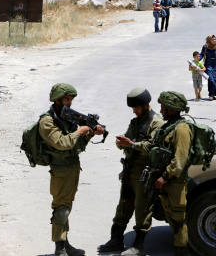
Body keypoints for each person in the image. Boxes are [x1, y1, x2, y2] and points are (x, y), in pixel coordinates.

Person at [39, 83, 105, 256]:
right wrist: (80, 131)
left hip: (72, 167)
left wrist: (90, 133)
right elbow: (62, 143)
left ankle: (64, 243)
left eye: (71, 100)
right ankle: (59, 249)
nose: (70, 103)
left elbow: (76, 146)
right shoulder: (47, 121)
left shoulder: (66, 117)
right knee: (61, 208)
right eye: (67, 99)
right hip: (60, 170)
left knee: (66, 206)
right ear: (58, 99)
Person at [97, 88, 164, 256]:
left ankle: (138, 247)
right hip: (130, 168)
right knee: (123, 206)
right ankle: (116, 240)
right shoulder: (135, 122)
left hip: (144, 172)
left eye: (136, 107)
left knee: (142, 208)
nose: (134, 111)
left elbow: (153, 147)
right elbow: (127, 138)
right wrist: (122, 142)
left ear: (145, 105)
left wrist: (132, 145)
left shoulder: (157, 122)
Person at [153, 91, 193, 256]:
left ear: (172, 109)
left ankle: (181, 251)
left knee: (178, 220)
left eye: (163, 107)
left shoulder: (182, 129)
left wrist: (165, 176)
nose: (161, 111)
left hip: (175, 182)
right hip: (167, 181)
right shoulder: (169, 126)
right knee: (170, 215)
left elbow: (179, 161)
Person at [200, 34, 216, 101]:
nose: (214, 40)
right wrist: (197, 60)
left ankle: (212, 95)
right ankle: (211, 95)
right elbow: (202, 55)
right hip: (208, 65)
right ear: (209, 40)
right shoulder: (205, 46)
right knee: (211, 80)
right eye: (213, 39)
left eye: (215, 39)